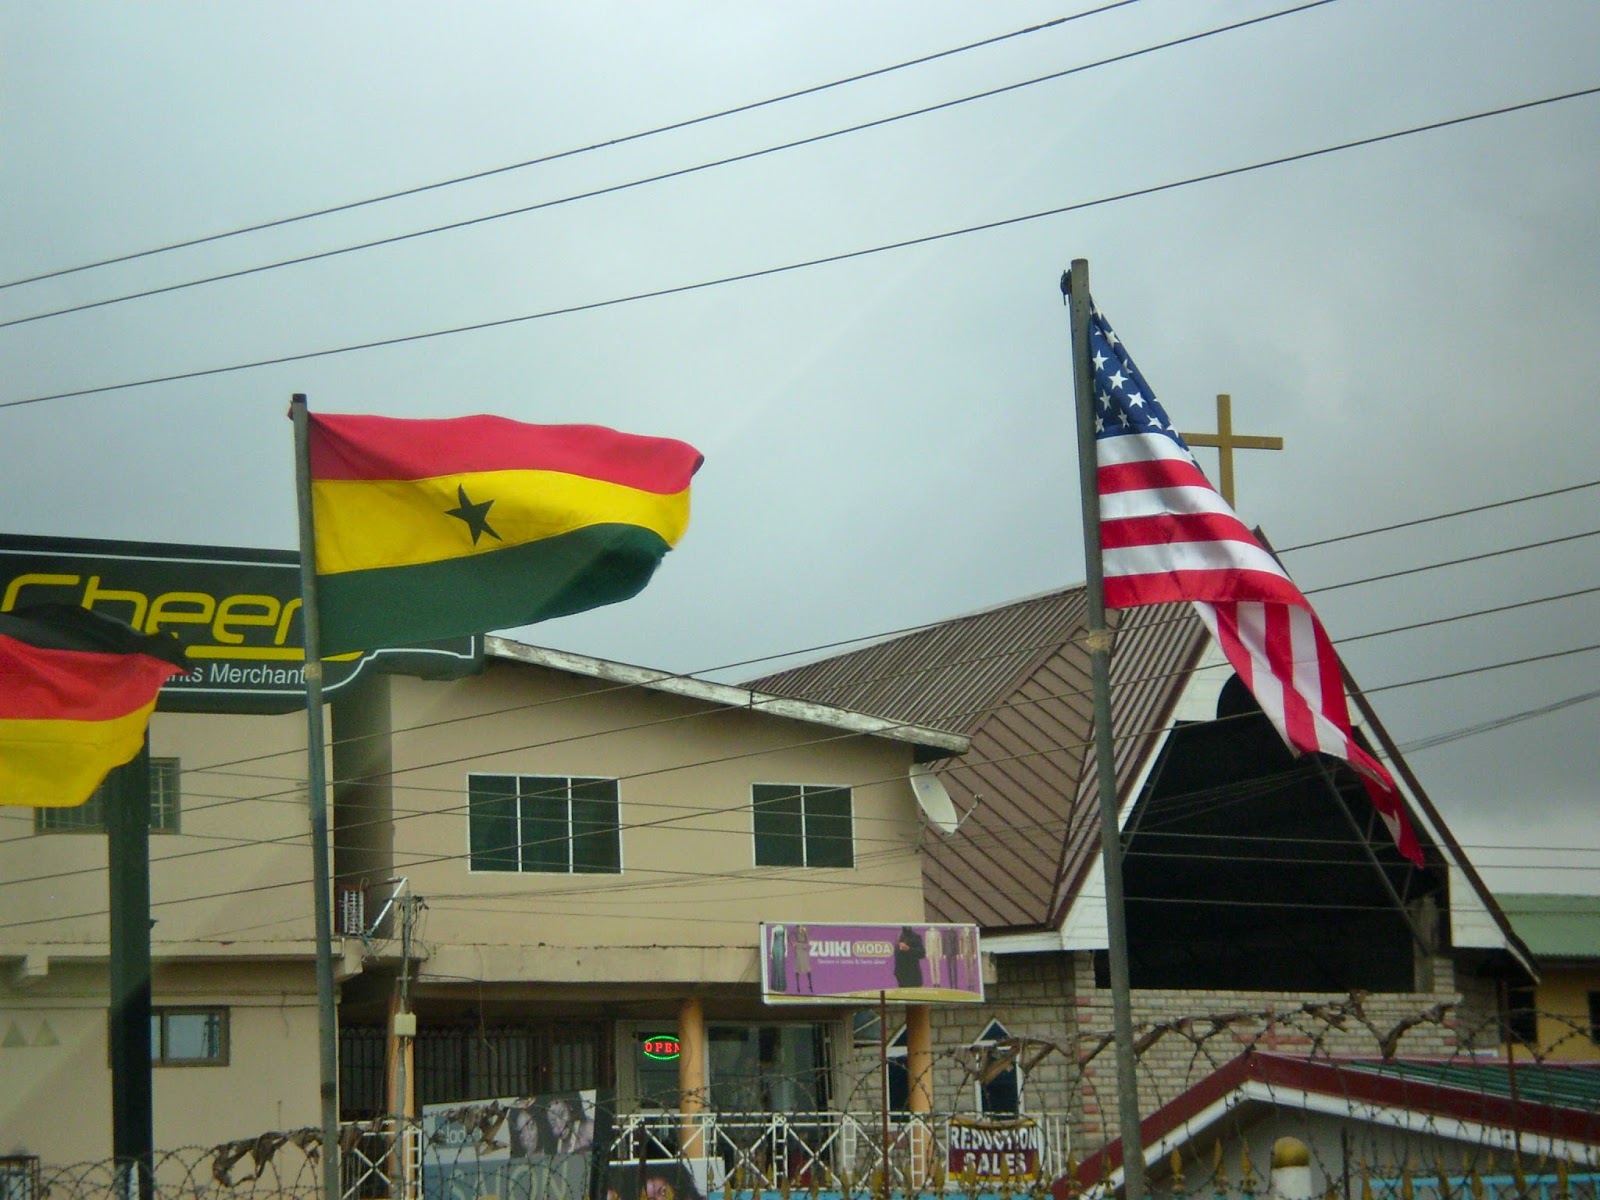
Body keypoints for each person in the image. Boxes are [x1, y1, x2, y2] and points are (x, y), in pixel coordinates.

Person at [893, 924, 926, 989]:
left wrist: (909, 949)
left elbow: (922, 953)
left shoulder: (916, 937)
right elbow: (897, 955)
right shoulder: (899, 936)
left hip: (913, 976)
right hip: (901, 975)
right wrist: (896, 972)